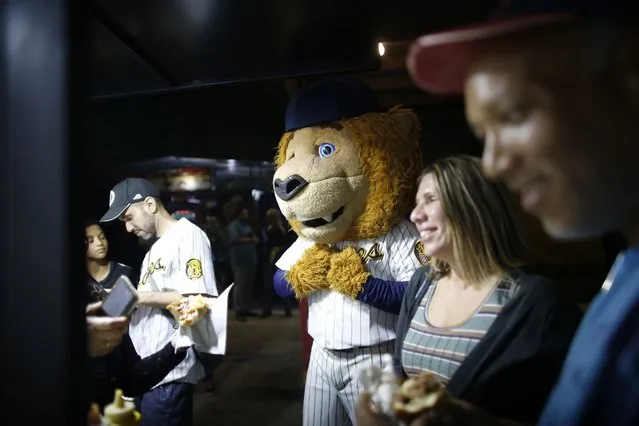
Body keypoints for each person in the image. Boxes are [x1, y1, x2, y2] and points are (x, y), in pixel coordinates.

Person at [358, 1, 639, 425]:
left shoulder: (538, 303)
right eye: (484, 134)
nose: (493, 164)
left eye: (516, 113)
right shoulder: (625, 276)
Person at [357, 155, 582, 425]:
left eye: (430, 200)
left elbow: (575, 414)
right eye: (417, 204)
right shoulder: (420, 284)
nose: (416, 215)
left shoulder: (538, 303)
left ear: (472, 206)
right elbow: (399, 372)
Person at [100, 177, 217, 426]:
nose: (128, 229)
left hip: (170, 373)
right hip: (147, 371)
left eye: (128, 217)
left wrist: (138, 297)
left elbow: (200, 300)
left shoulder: (188, 235)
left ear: (150, 205)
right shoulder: (154, 249)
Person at [85, 220, 137, 301]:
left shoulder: (125, 273)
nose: (99, 243)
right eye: (91, 240)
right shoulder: (75, 279)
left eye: (102, 237)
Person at [228, 205, 259, 321]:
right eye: (244, 213)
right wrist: (250, 240)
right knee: (240, 284)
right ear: (238, 214)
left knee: (248, 284)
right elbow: (235, 239)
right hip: (239, 259)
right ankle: (238, 309)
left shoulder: (246, 226)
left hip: (250, 258)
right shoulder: (233, 226)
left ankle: (246, 308)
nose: (246, 215)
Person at [261, 208, 292, 318]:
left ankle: (272, 309)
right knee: (275, 285)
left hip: (275, 258)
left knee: (275, 284)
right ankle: (272, 309)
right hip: (276, 259)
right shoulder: (280, 228)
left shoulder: (277, 229)